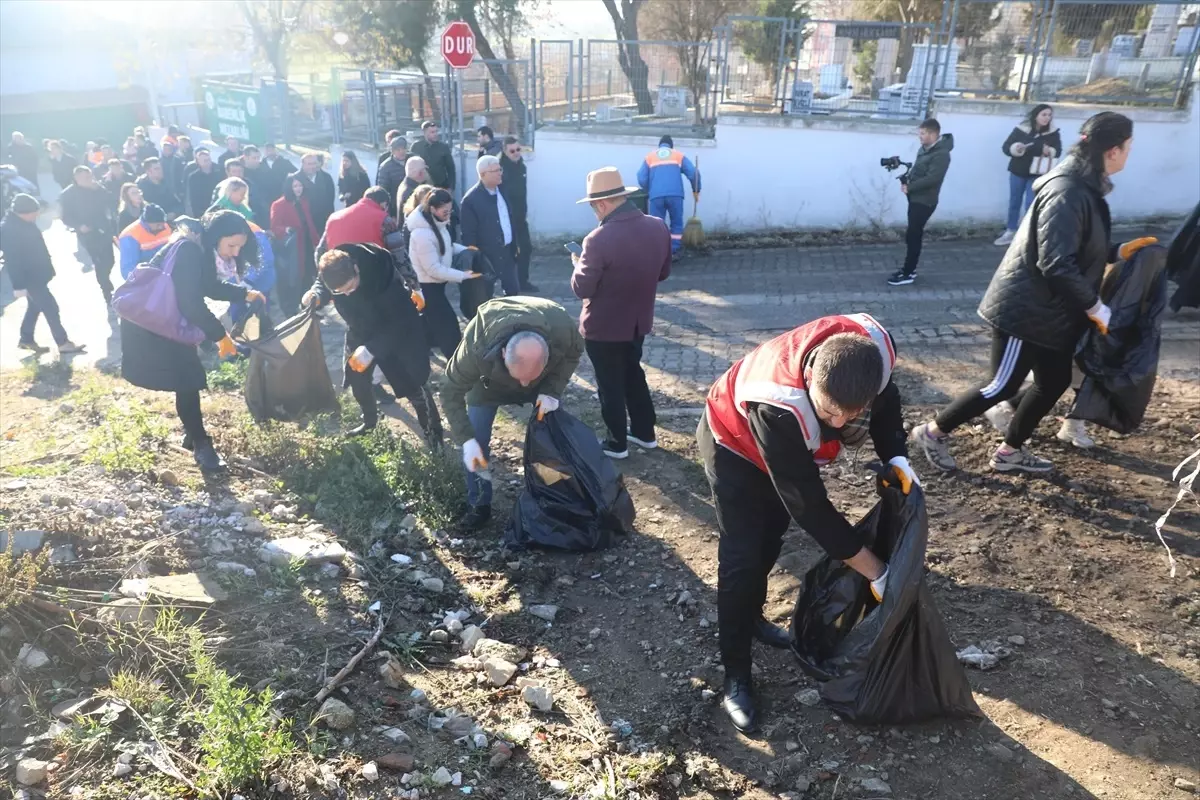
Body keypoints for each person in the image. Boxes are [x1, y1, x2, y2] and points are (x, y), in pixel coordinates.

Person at [701, 313, 916, 732]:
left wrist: (897, 457)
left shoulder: (875, 351)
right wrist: (877, 571)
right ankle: (736, 674)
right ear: (812, 376)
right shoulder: (776, 404)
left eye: (849, 414)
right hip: (734, 444)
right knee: (742, 558)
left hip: (784, 449)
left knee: (771, 540)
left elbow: (888, 403)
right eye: (829, 411)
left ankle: (755, 618)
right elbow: (810, 507)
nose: (837, 425)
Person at [910, 111, 1156, 475]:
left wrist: (1117, 251)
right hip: (1025, 312)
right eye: (1129, 147)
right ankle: (932, 432)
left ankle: (1010, 451)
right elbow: (1055, 262)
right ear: (1113, 150)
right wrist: (1095, 307)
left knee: (1053, 381)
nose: (1129, 154)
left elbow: (1075, 247)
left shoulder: (1082, 187)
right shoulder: (1068, 191)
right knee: (1001, 384)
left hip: (1052, 314)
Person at [120, 210, 264, 471]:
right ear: (216, 236)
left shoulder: (200, 248)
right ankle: (201, 445)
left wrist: (245, 294)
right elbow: (191, 303)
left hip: (164, 320)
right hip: (152, 322)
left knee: (186, 381)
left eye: (239, 247)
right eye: (231, 245)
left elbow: (207, 286)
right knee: (188, 380)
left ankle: (192, 434)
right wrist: (221, 337)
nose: (234, 252)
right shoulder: (189, 250)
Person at [442, 296, 584, 531]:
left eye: (530, 376)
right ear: (504, 351)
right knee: (476, 441)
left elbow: (574, 352)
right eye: (521, 376)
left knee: (551, 438)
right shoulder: (475, 346)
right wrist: (465, 439)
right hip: (486, 386)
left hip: (543, 387)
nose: (525, 383)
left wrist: (550, 391)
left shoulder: (561, 327)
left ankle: (554, 498)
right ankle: (479, 505)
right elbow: (449, 392)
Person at [570, 167, 671, 458]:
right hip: (638, 321)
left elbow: (581, 288)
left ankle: (616, 443)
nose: (594, 213)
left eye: (593, 208)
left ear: (601, 204)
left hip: (603, 325)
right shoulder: (657, 226)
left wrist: (577, 263)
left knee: (609, 384)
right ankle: (644, 432)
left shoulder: (597, 239)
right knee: (633, 374)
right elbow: (662, 273)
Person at [302, 245, 443, 443]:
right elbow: (321, 285)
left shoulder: (383, 277)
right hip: (361, 329)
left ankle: (433, 432)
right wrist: (315, 294)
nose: (348, 294)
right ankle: (369, 423)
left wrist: (371, 349)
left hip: (398, 334)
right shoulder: (334, 270)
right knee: (357, 377)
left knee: (414, 385)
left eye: (350, 287)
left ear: (356, 270)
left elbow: (401, 322)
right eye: (340, 292)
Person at [1, 194, 84, 354]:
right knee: (50, 307)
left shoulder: (24, 222)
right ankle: (63, 343)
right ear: (22, 212)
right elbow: (13, 260)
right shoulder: (9, 230)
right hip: (29, 277)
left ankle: (26, 339)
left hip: (37, 274)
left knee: (34, 307)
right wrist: (19, 285)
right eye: (34, 212)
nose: (37, 215)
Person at [407, 188, 478, 358]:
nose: (449, 215)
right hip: (427, 288)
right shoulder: (423, 234)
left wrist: (466, 250)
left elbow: (446, 247)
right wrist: (463, 276)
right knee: (449, 328)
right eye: (445, 211)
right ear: (432, 209)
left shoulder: (437, 225)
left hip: (435, 286)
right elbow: (433, 269)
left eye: (450, 210)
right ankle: (456, 365)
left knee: (435, 325)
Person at [887, 118, 953, 286]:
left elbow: (933, 178)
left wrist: (911, 187)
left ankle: (908, 272)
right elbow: (918, 170)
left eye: (923, 133)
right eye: (920, 133)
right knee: (912, 235)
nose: (920, 137)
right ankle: (909, 269)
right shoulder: (925, 149)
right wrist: (907, 180)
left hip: (925, 201)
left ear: (933, 134)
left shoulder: (942, 154)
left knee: (914, 235)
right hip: (916, 197)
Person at [995, 105, 1063, 247]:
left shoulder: (1053, 133)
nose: (1047, 118)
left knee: (1031, 204)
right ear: (1035, 115)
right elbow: (1006, 147)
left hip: (1037, 173)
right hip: (1018, 171)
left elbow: (1058, 151)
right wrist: (1016, 147)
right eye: (1044, 114)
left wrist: (1048, 150)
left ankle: (1026, 234)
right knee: (1014, 202)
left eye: (1049, 115)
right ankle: (1010, 230)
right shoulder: (1021, 129)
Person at [59, 165, 117, 306]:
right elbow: (65, 216)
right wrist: (78, 226)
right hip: (88, 233)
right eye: (86, 177)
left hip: (103, 228)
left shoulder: (97, 188)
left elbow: (110, 201)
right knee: (99, 261)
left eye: (90, 176)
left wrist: (99, 189)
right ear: (77, 178)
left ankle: (105, 280)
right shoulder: (67, 194)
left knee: (110, 260)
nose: (89, 179)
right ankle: (105, 289)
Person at [461, 155, 518, 296]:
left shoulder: (503, 190)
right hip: (486, 256)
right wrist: (474, 259)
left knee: (513, 293)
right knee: (485, 295)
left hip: (507, 252)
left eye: (500, 169)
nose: (500, 173)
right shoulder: (471, 200)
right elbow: (468, 234)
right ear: (482, 174)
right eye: (495, 171)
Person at [637, 135, 700, 257]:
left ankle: (658, 252)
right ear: (671, 146)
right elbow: (693, 173)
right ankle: (673, 250)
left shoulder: (650, 157)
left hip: (656, 196)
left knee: (656, 225)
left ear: (660, 145)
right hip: (675, 195)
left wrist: (649, 189)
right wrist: (696, 190)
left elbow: (641, 177)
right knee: (676, 223)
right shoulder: (678, 155)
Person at [270, 173, 320, 314]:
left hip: (306, 243)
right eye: (295, 186)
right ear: (289, 187)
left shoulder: (303, 201)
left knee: (308, 275)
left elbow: (309, 222)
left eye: (300, 186)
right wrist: (286, 229)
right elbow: (274, 227)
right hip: (292, 247)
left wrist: (317, 241)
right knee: (291, 278)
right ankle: (290, 309)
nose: (298, 189)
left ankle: (307, 307)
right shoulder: (279, 204)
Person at [498, 137, 535, 292]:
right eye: (512, 151)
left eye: (518, 150)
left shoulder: (522, 167)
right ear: (505, 151)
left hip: (520, 216)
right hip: (506, 217)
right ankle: (509, 285)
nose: (516, 153)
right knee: (509, 253)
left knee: (526, 248)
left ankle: (523, 281)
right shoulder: (500, 169)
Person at [118, 203, 171, 279]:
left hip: (164, 274)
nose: (161, 227)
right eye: (158, 225)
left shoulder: (165, 227)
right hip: (146, 278)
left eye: (163, 224)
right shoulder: (130, 236)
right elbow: (128, 269)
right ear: (147, 223)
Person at [411, 120, 455, 192]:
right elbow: (411, 167)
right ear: (424, 133)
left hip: (441, 186)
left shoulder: (443, 147)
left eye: (436, 131)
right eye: (432, 132)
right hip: (422, 188)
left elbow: (451, 169)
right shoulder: (416, 147)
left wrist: (451, 187)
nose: (435, 134)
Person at [301, 153, 336, 233]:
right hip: (304, 224)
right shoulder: (295, 179)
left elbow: (330, 200)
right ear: (303, 164)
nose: (312, 166)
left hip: (322, 222)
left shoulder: (326, 178)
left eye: (314, 163)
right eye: (309, 164)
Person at [240, 145, 274, 227]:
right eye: (254, 158)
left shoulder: (264, 170)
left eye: (258, 158)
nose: (257, 161)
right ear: (246, 158)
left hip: (264, 211)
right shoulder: (240, 173)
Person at [185, 148, 222, 217]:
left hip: (218, 209)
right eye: (204, 160)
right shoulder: (193, 177)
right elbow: (193, 198)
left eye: (208, 160)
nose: (207, 162)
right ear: (197, 162)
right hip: (202, 211)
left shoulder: (219, 174)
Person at [376, 136, 410, 204]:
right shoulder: (385, 167)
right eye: (398, 150)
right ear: (392, 151)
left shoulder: (413, 159)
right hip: (396, 203)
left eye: (404, 149)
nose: (401, 152)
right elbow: (383, 189)